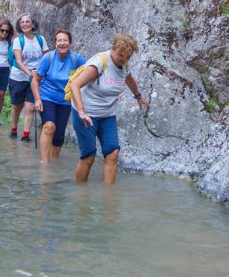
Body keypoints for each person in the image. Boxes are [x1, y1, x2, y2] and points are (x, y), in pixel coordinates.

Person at [69, 33, 149, 184]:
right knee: (89, 156)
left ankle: (109, 199)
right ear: (112, 48)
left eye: (127, 57)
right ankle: (80, 195)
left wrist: (138, 96)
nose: (123, 59)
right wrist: (81, 111)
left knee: (113, 153)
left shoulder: (124, 65)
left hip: (107, 115)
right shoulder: (100, 62)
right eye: (120, 56)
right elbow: (75, 85)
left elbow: (129, 79)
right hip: (86, 114)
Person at [31, 29, 86, 162]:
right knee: (49, 126)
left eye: (65, 40)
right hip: (46, 97)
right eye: (59, 40)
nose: (62, 43)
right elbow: (35, 80)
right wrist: (37, 99)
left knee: (59, 135)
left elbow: (92, 72)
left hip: (65, 100)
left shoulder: (76, 59)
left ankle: (54, 162)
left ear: (70, 43)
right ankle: (44, 164)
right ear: (55, 43)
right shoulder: (48, 58)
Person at [8, 14, 48, 141]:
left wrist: (40, 72)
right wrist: (29, 72)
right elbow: (19, 62)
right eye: (22, 22)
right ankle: (13, 129)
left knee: (30, 107)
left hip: (35, 78)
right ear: (19, 26)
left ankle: (25, 135)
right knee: (16, 106)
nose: (25, 24)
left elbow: (46, 57)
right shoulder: (18, 41)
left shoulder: (40, 39)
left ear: (33, 24)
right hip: (18, 77)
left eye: (27, 22)